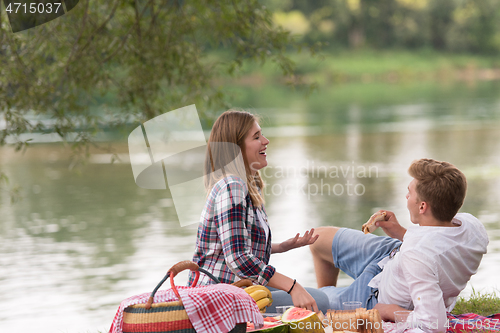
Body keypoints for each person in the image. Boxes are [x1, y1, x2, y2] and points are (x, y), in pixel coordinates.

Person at [310, 158, 488, 332]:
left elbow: (434, 323)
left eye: (410, 192)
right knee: (316, 239)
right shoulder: (472, 226)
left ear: (422, 207)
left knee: (308, 301)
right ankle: (330, 299)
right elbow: (438, 243)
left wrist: (387, 311)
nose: (406, 196)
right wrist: (400, 232)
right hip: (392, 254)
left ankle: (330, 309)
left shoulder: (418, 256)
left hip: (373, 297)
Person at [189, 110, 329, 312]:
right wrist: (292, 286)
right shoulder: (231, 186)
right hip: (217, 301)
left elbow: (232, 243)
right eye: (256, 137)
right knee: (319, 300)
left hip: (239, 294)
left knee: (317, 298)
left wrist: (280, 247)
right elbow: (237, 258)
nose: (266, 141)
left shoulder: (247, 185)